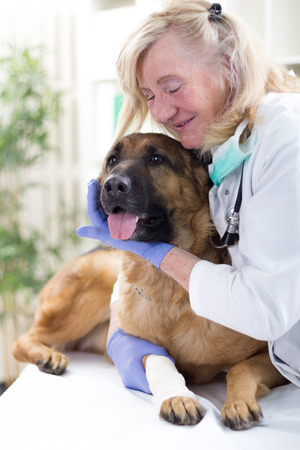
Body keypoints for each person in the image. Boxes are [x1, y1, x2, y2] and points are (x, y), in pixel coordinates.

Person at [77, 0, 300, 391]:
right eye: (148, 95)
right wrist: (121, 316)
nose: (161, 111)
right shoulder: (219, 148)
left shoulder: (287, 138)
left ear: (229, 66)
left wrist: (162, 256)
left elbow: (266, 310)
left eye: (173, 87)